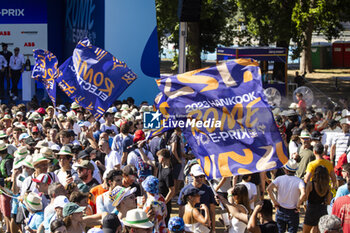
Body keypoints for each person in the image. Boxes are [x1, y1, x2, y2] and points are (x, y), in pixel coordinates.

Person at [267, 159, 306, 233]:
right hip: (293, 211)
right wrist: (298, 205)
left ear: (285, 170)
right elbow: (303, 193)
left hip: (280, 209)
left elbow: (268, 189)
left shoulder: (279, 179)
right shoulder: (299, 181)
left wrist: (275, 202)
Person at [178, 164, 217, 232]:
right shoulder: (185, 190)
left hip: (205, 228)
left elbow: (212, 211)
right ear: (191, 175)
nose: (200, 179)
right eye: (197, 177)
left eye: (201, 176)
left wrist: (213, 228)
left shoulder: (208, 190)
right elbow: (181, 211)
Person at [302, 166, 332, 233]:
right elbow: (329, 202)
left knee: (305, 231)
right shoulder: (327, 187)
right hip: (322, 210)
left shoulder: (311, 184)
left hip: (311, 209)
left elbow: (305, 198)